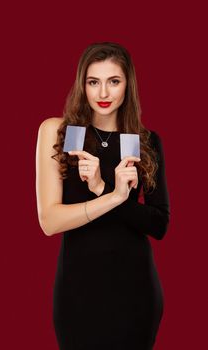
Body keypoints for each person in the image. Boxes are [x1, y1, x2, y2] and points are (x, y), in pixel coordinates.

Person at [35, 41, 170, 350]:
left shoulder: (143, 141)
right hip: (78, 293)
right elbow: (50, 221)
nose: (103, 93)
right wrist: (109, 195)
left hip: (136, 292)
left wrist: (102, 188)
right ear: (82, 85)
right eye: (93, 82)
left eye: (114, 81)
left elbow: (158, 224)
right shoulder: (60, 133)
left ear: (128, 85)